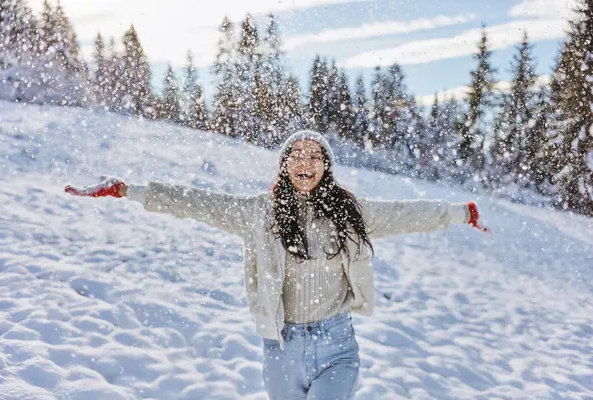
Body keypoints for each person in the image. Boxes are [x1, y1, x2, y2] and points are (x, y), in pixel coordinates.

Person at [64, 130, 488, 400]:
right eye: (296, 157)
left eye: (314, 157)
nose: (305, 164)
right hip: (282, 348)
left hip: (337, 345)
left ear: (326, 166)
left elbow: (407, 214)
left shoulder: (350, 212)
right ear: (284, 166)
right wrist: (128, 190)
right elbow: (195, 202)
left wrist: (460, 212)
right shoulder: (259, 213)